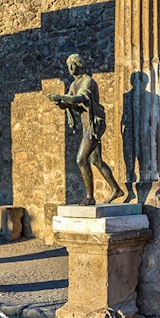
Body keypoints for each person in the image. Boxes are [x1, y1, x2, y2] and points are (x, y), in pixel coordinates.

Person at [47, 54, 125, 205]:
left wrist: (62, 97)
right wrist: (58, 101)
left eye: (73, 64)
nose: (70, 68)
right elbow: (67, 103)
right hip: (87, 125)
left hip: (94, 124)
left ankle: (90, 197)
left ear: (79, 65)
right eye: (68, 65)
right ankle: (116, 189)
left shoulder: (87, 81)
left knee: (81, 159)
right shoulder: (73, 84)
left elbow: (79, 99)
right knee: (96, 160)